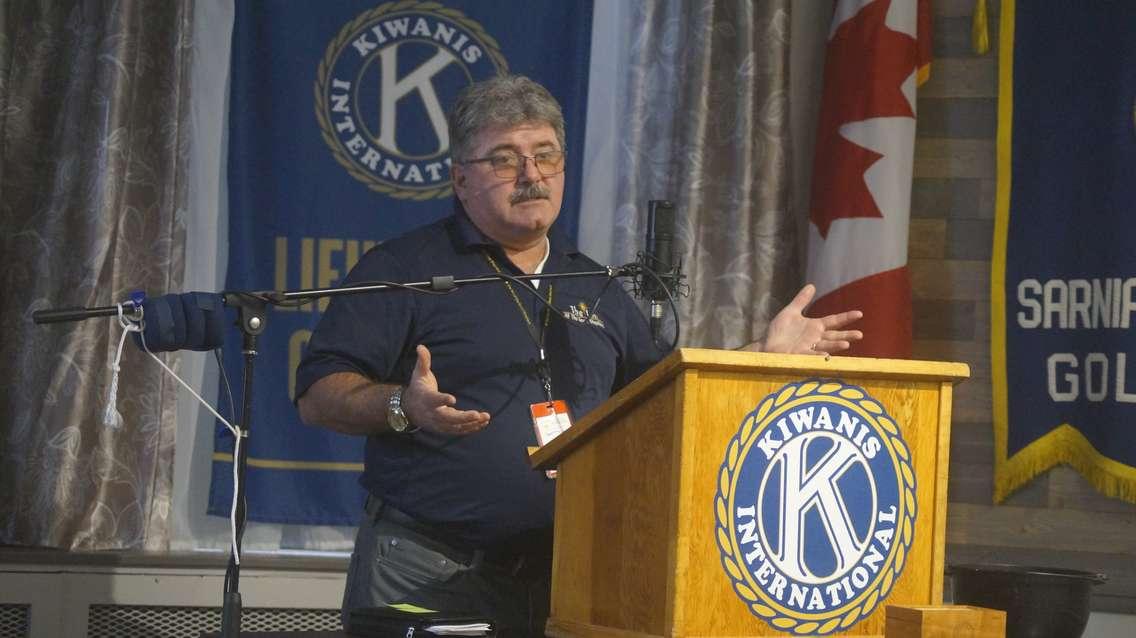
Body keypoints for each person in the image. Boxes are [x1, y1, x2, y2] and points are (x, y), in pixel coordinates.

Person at [295, 74, 863, 637]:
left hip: (567, 577)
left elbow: (660, 396)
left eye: (546, 156)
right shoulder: (406, 269)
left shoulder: (595, 284)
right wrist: (402, 404)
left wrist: (761, 354)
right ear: (460, 179)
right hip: (430, 570)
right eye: (504, 159)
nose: (531, 175)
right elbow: (319, 395)